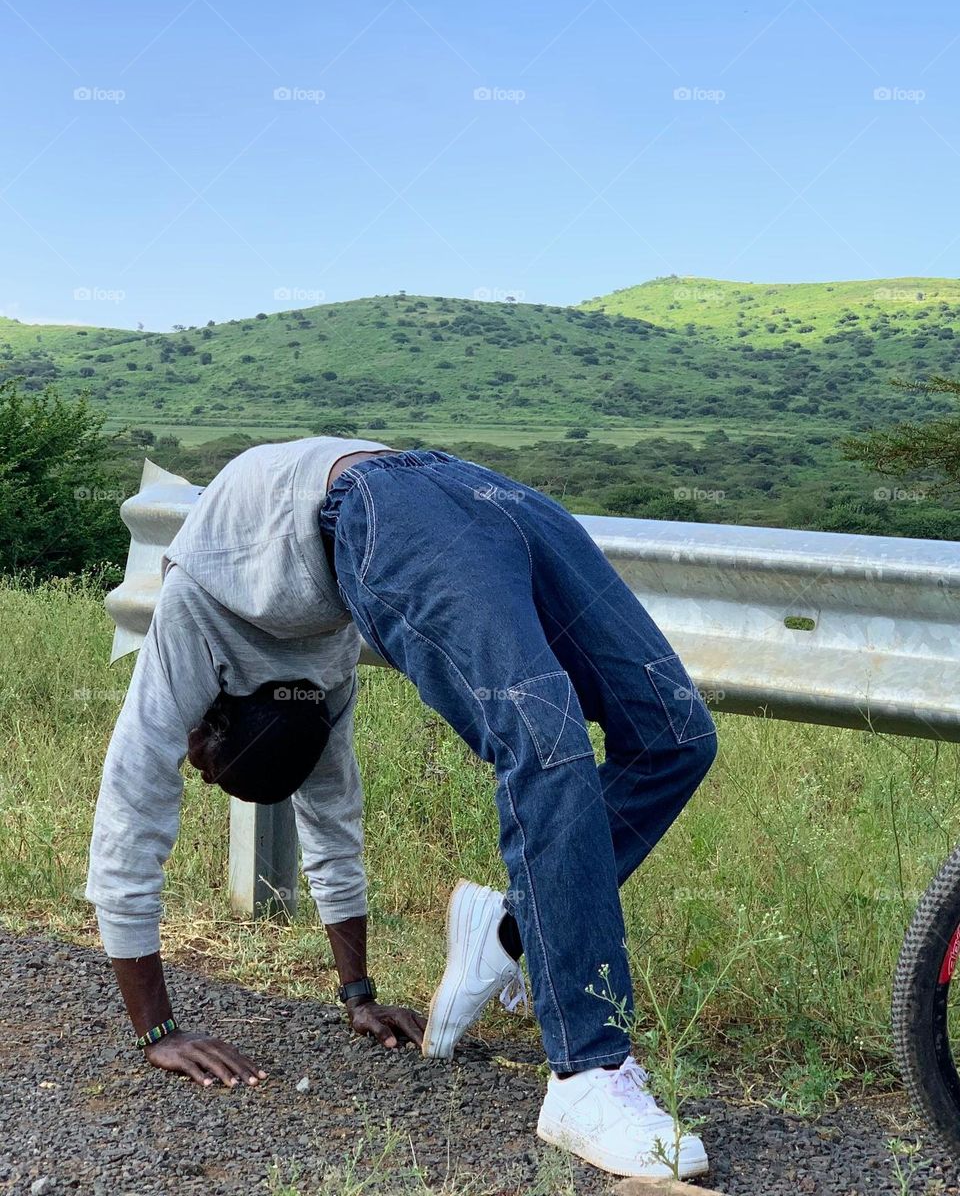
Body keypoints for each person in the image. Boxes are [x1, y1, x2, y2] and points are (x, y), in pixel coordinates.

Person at [86, 438, 717, 1181]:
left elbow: (131, 813)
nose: (195, 770)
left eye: (203, 766)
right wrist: (358, 995)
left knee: (647, 738)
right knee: (618, 737)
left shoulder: (193, 617)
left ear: (210, 721)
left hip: (403, 495)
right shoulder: (314, 688)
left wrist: (156, 1028)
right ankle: (561, 1023)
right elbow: (331, 812)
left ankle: (556, 1021)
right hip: (440, 489)